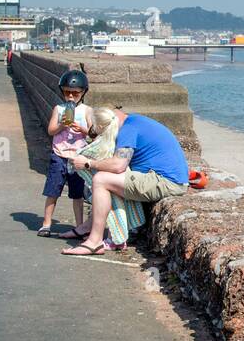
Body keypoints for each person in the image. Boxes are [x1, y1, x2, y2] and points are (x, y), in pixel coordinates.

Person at [60, 109, 187, 256]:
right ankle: (87, 227)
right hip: (168, 179)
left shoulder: (127, 131)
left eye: (100, 133)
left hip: (165, 181)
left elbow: (118, 165)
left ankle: (94, 242)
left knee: (100, 180)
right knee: (108, 179)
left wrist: (88, 163)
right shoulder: (133, 121)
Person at [35, 69, 92, 236]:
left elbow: (92, 132)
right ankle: (46, 224)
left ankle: (79, 226)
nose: (71, 96)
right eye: (67, 92)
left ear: (83, 92)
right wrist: (62, 125)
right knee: (53, 191)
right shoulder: (59, 109)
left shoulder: (86, 110)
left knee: (77, 194)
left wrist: (81, 129)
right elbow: (51, 130)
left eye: (75, 93)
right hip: (59, 155)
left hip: (77, 157)